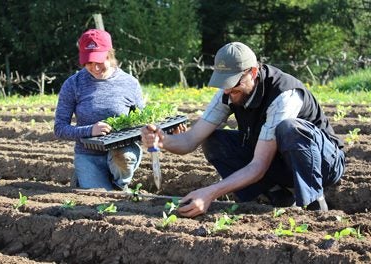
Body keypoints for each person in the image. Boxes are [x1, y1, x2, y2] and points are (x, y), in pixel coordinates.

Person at [141, 42, 345, 217]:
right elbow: (191, 139)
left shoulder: (284, 94)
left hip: (323, 164)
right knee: (214, 141)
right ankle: (277, 195)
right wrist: (163, 140)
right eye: (224, 84)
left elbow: (258, 166)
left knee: (289, 129)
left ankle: (314, 203)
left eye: (234, 84)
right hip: (280, 162)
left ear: (253, 72)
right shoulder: (229, 92)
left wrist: (210, 193)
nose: (228, 92)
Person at [55, 29, 144, 191]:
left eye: (99, 61)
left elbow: (141, 123)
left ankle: (120, 183)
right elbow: (60, 129)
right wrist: (90, 130)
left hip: (121, 151)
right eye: (89, 62)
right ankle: (85, 177)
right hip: (88, 155)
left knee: (121, 164)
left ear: (110, 55)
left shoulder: (130, 83)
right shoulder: (73, 84)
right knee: (99, 197)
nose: (95, 68)